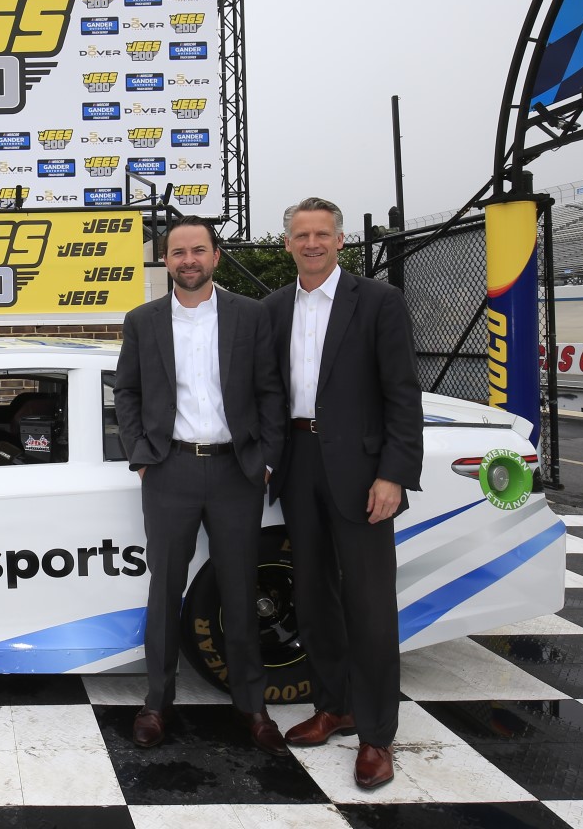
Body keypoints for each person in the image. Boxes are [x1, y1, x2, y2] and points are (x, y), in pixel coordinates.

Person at [264, 197, 423, 790]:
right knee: (313, 597)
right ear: (287, 243)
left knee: (370, 607)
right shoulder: (274, 308)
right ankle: (335, 707)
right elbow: (269, 393)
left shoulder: (378, 302)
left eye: (322, 234)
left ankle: (378, 735)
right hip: (297, 464)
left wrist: (394, 474)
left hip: (362, 473)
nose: (311, 243)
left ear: (338, 241)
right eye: (301, 235)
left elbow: (403, 395)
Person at [114, 216, 289, 755]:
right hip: (171, 471)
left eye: (198, 250)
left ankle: (252, 705)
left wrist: (264, 461)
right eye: (177, 253)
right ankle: (157, 702)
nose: (187, 260)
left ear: (215, 255)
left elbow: (270, 393)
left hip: (236, 472)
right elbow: (127, 392)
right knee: (165, 589)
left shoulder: (250, 315)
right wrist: (143, 456)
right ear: (165, 261)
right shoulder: (142, 320)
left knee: (239, 588)